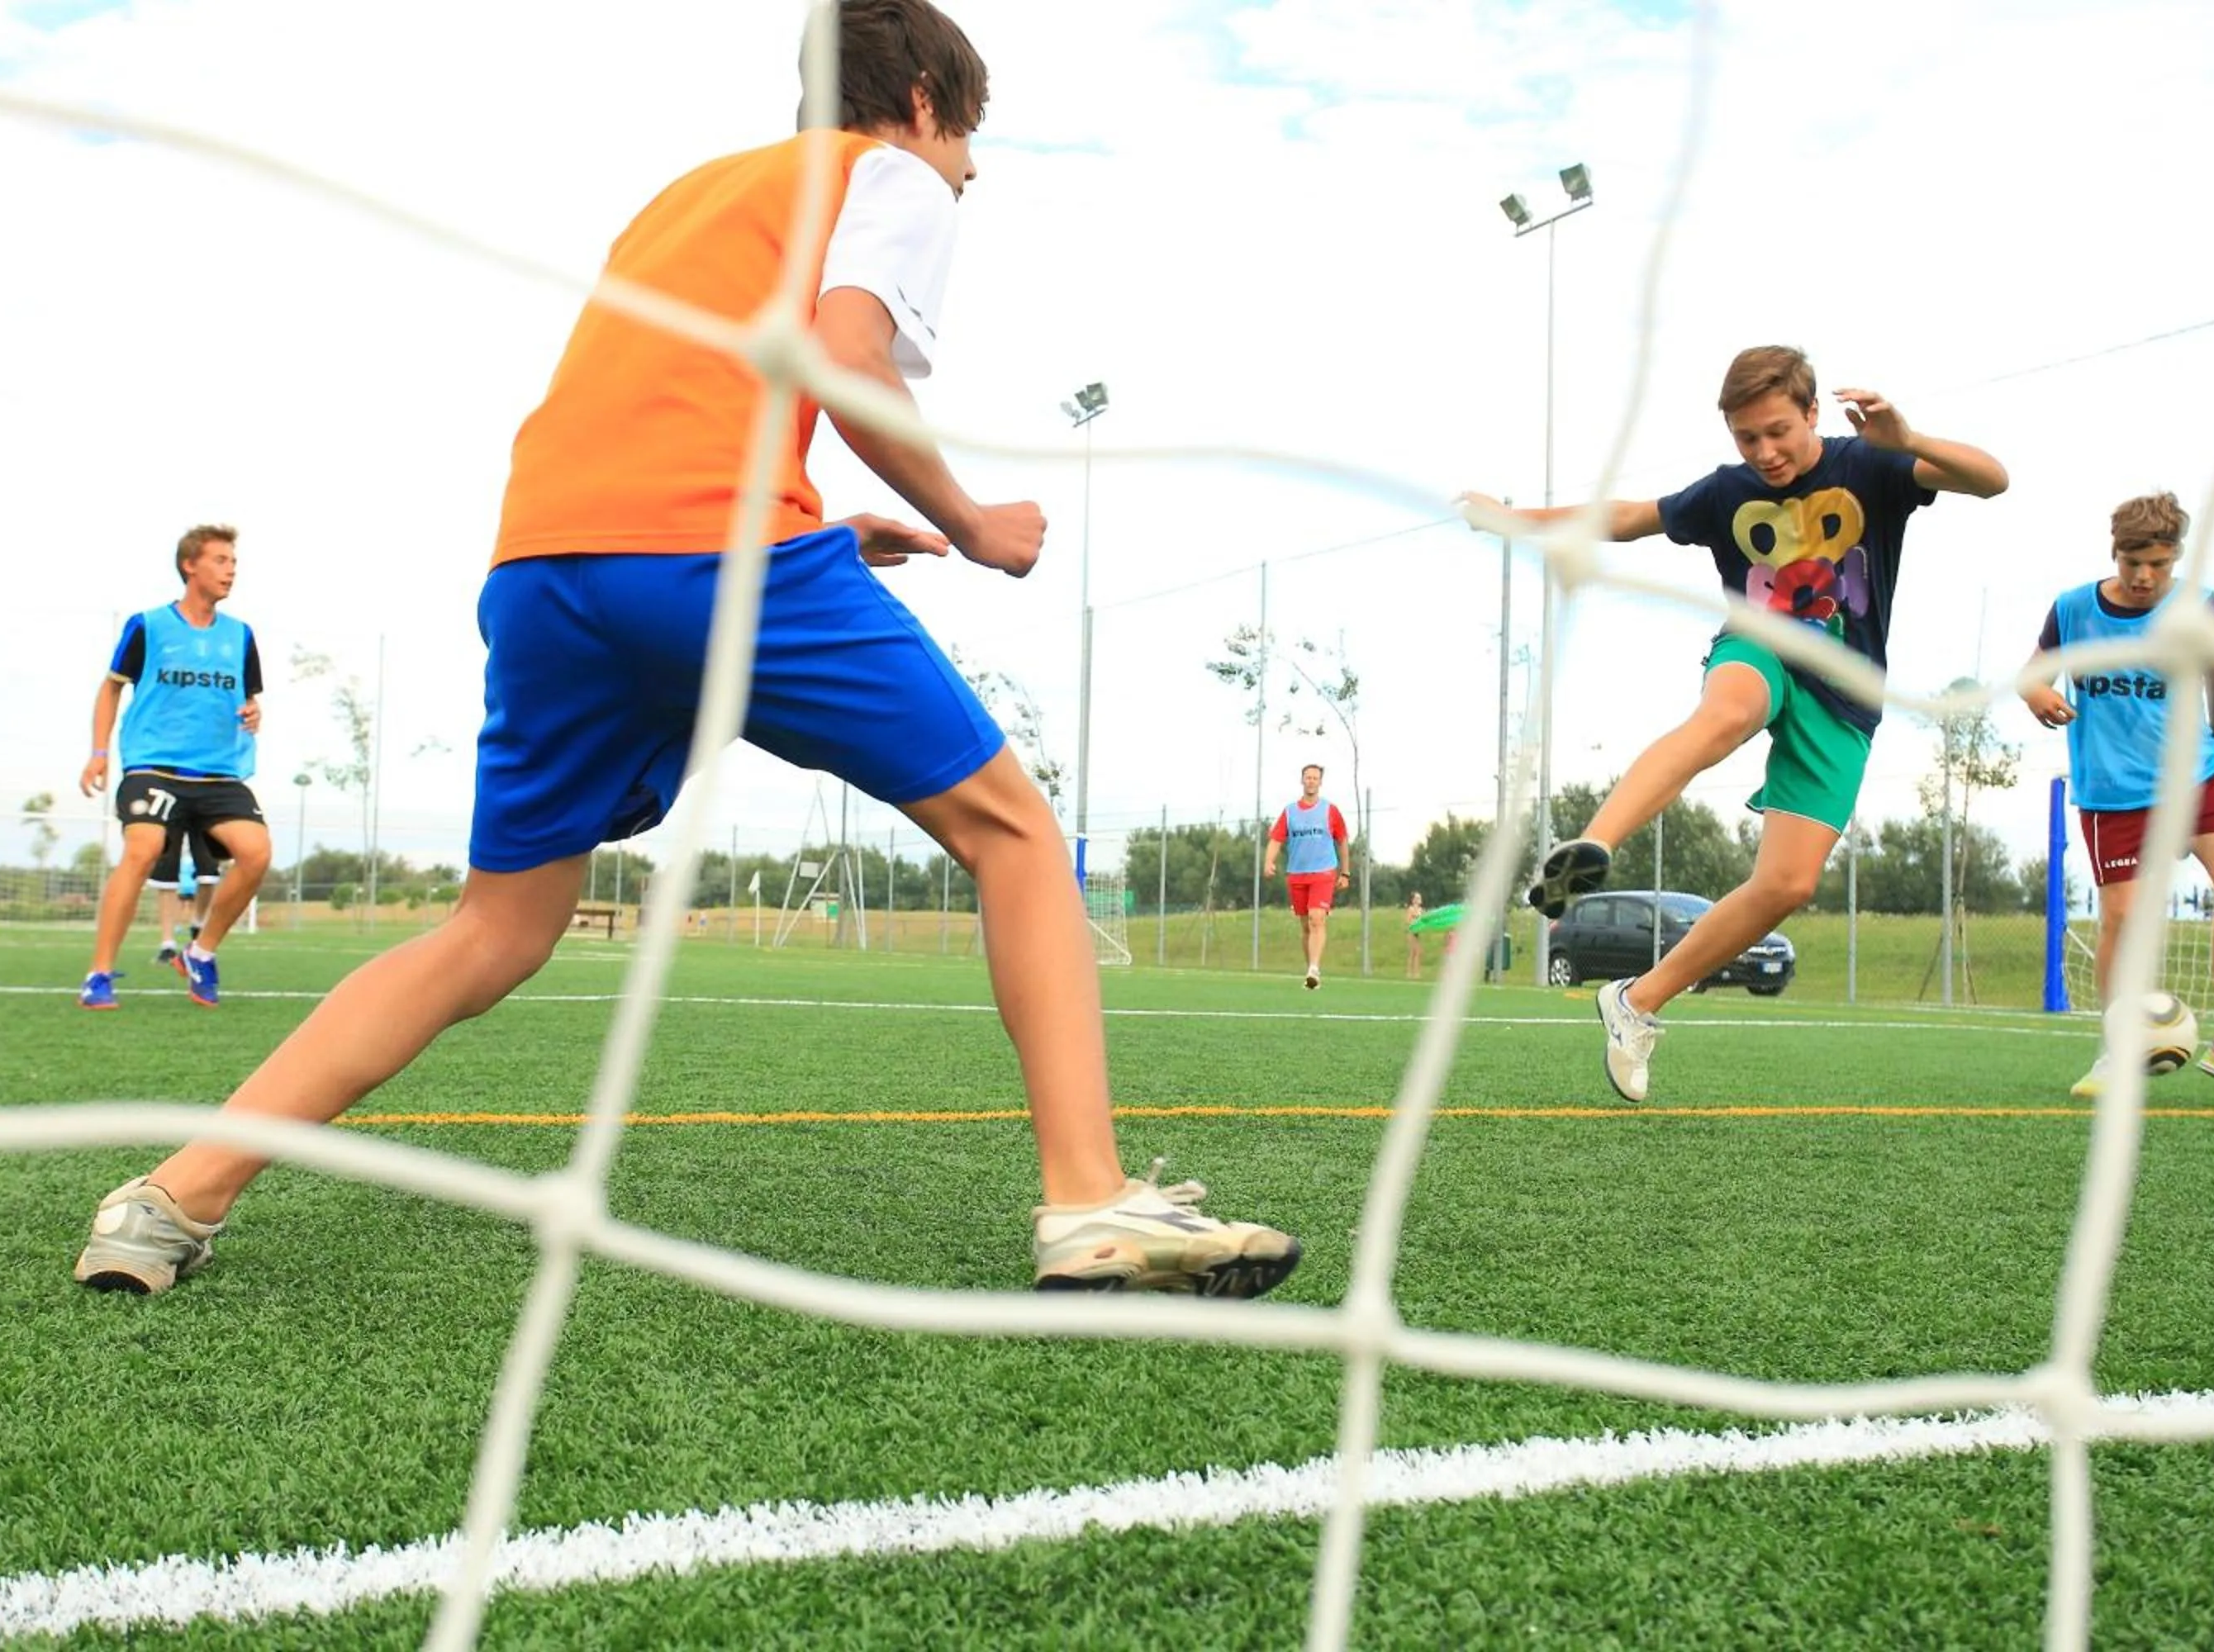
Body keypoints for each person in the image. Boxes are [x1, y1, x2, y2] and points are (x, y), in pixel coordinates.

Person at [73, 0, 1299, 1300]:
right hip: (717, 558)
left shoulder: (693, 196)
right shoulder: (887, 172)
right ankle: (1090, 1200)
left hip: (546, 568)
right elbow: (844, 354)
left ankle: (169, 1202)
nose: (971, 172)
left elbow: (684, 401)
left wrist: (828, 523)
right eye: (969, 139)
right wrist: (972, 518)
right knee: (1015, 835)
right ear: (927, 99)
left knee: (492, 930)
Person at [1471, 345, 2007, 1101]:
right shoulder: (1729, 492)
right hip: (1760, 646)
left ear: (1813, 413)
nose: (1765, 453)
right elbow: (1629, 518)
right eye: (1746, 439)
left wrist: (1908, 438)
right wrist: (1518, 519)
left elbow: (1992, 479)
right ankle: (1596, 841)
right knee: (1729, 713)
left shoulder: (1871, 467)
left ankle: (1636, 1001)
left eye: (1778, 432)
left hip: (1845, 694)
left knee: (1786, 883)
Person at [2022, 491, 2214, 1100]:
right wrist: (2038, 696)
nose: (2143, 576)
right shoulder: (2074, 610)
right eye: (2133, 562)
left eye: (2158, 564)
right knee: (2126, 920)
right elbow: (2033, 674)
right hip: (2113, 793)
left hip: (2196, 775)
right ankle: (2118, 1053)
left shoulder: (2203, 611)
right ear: (2115, 552)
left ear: (2175, 557)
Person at [75, 525, 276, 1010]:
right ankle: (99, 974)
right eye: (221, 560)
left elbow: (248, 699)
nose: (231, 570)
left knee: (256, 853)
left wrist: (252, 711)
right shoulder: (148, 626)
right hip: (155, 767)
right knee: (142, 850)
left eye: (234, 562)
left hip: (219, 774)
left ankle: (200, 953)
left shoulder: (241, 635)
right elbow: (111, 687)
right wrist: (99, 752)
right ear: (191, 565)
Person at [1263, 763, 1349, 989]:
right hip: (1297, 874)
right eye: (1307, 777)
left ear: (1320, 782)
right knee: (1305, 925)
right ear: (1302, 781)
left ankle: (1314, 969)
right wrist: (1269, 861)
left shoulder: (1330, 810)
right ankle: (1310, 969)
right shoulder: (1290, 811)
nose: (1311, 781)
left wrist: (1345, 872)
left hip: (1323, 872)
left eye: (1315, 778)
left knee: (1317, 918)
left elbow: (1342, 841)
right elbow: (1276, 839)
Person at [148, 825, 226, 967]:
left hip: (205, 808)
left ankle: (197, 928)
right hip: (173, 807)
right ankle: (167, 946)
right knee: (166, 872)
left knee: (209, 873)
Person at [1404, 890, 1424, 979]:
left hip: (1418, 932)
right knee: (1413, 952)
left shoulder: (1420, 910)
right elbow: (1408, 921)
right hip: (1412, 932)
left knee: (1418, 953)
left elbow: (1422, 920)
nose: (1419, 900)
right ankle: (1410, 972)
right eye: (1417, 898)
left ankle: (1416, 972)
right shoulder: (1411, 909)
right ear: (1413, 900)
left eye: (1419, 898)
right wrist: (1414, 921)